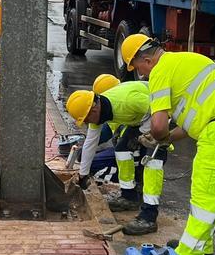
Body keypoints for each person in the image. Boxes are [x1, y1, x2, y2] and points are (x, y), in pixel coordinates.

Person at [121, 33, 215, 255]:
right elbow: (189, 124)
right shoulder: (184, 61)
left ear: (146, 59)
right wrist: (164, 138)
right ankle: (201, 245)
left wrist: (156, 137)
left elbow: (159, 124)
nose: (141, 75)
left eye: (138, 68)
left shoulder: (161, 71)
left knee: (205, 193)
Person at [66, 74, 167, 235]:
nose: (86, 122)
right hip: (141, 119)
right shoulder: (98, 113)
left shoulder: (127, 100)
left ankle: (149, 216)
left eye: (86, 118)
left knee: (152, 163)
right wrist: (83, 174)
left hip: (161, 116)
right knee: (122, 150)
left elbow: (158, 109)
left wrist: (143, 133)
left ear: (94, 108)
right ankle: (129, 196)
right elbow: (91, 143)